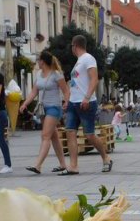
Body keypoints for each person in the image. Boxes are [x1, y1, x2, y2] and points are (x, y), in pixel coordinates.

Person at [61, 35, 112, 174]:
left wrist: (87, 97)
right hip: (73, 103)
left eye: (72, 46)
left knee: (89, 135)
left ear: (75, 46)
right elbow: (75, 83)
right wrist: (67, 100)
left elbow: (94, 79)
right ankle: (73, 166)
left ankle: (106, 158)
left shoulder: (88, 58)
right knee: (70, 132)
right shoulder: (78, 62)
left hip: (86, 102)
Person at [20, 49, 69, 174]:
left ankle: (38, 165)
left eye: (38, 60)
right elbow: (34, 92)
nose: (37, 62)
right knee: (54, 136)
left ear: (43, 61)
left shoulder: (56, 74)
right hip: (42, 108)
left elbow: (65, 90)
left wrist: (66, 102)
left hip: (54, 107)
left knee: (45, 136)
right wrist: (25, 104)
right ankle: (63, 164)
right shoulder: (38, 74)